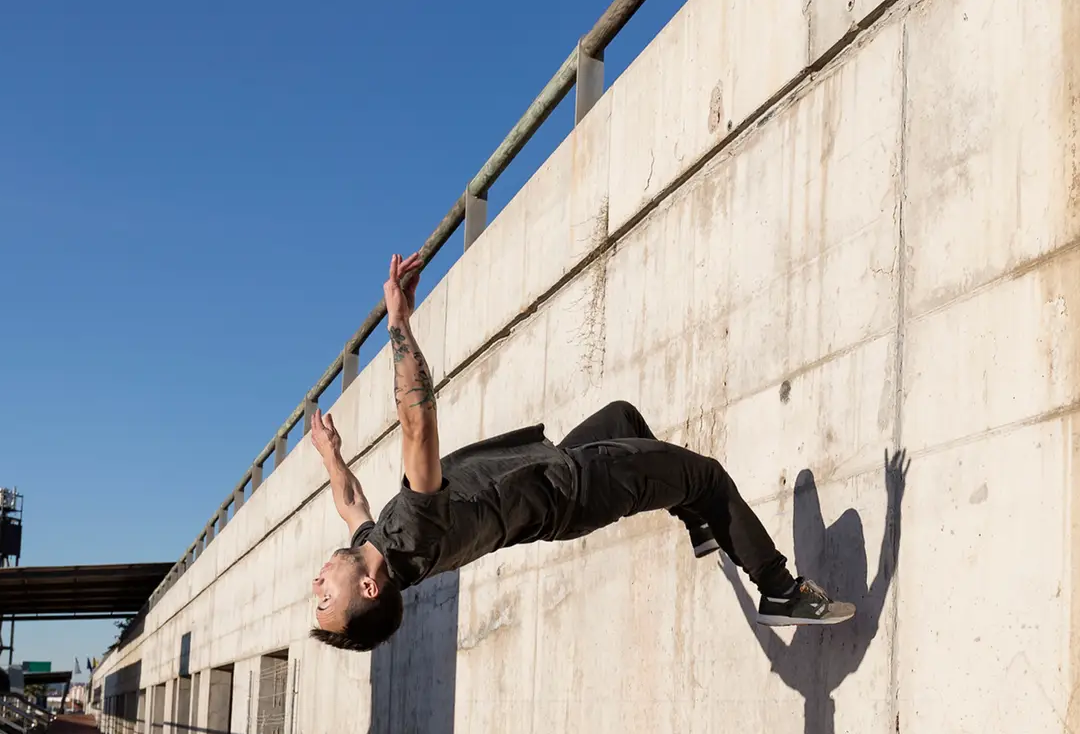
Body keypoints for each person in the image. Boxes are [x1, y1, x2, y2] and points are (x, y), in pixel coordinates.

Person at [308, 252, 855, 652]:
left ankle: (701, 523)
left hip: (551, 472)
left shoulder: (374, 544)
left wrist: (330, 454)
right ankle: (779, 591)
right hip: (577, 488)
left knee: (622, 417)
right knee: (707, 478)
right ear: (368, 588)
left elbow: (351, 502)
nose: (317, 585)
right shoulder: (411, 535)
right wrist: (399, 324)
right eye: (325, 599)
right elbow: (418, 425)